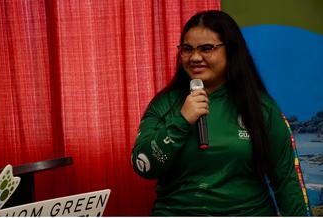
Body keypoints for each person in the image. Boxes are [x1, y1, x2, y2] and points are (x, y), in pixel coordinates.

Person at [131, 10, 312, 216]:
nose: (195, 57)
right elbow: (143, 166)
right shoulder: (165, 104)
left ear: (231, 51)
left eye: (207, 48)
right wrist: (181, 121)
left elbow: (286, 180)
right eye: (187, 49)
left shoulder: (261, 107)